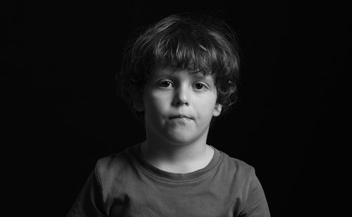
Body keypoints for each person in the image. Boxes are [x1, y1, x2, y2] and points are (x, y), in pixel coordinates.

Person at [66, 12, 271, 216]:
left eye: (199, 85)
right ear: (139, 96)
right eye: (166, 83)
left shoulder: (243, 183)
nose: (182, 97)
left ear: (218, 102)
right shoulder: (108, 177)